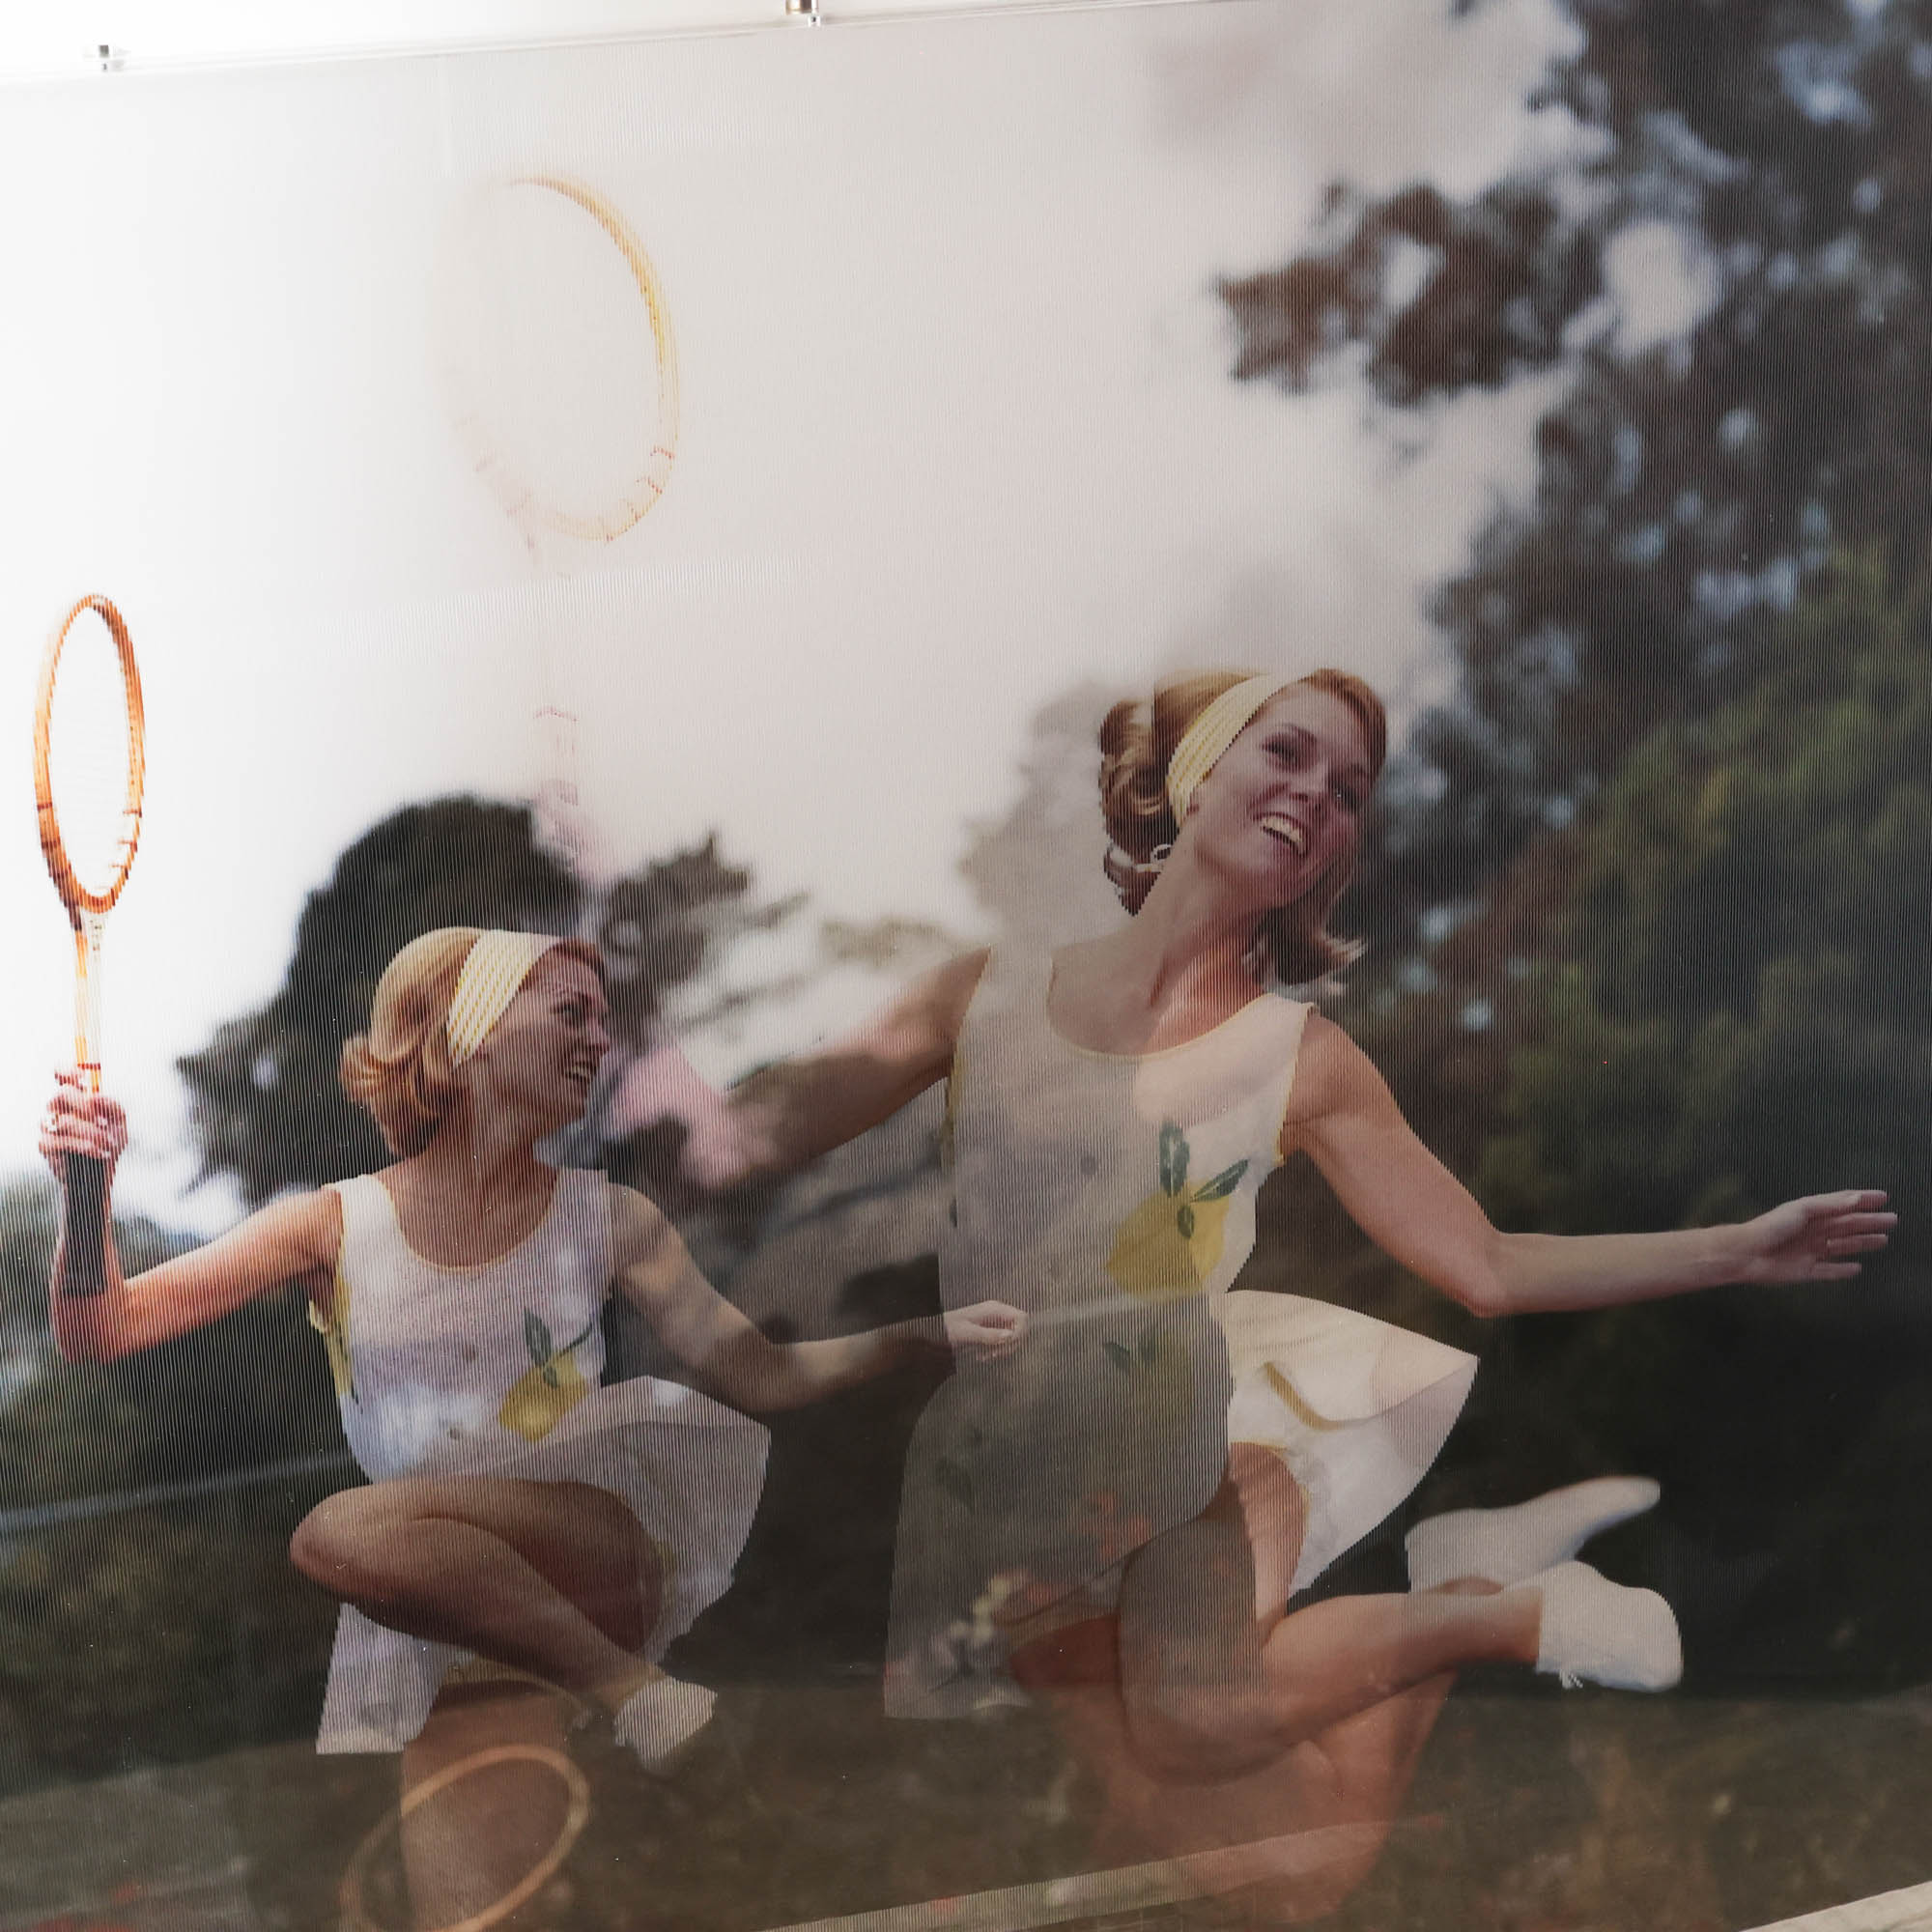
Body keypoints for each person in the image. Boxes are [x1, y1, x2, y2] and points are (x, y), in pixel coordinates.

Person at [615, 669, 1891, 1911]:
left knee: (1201, 1717)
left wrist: (1734, 1248)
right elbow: (741, 1138)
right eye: (1286, 753)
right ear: (1195, 774)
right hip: (1008, 1480)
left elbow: (1488, 1266)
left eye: (1349, 789)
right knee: (1294, 1869)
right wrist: (605, 1036)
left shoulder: (1305, 1060)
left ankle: (1506, 1619)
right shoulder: (982, 995)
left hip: (1186, 1428)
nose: (1316, 794)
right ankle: (1460, 1588)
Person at [38, 926, 1025, 1776]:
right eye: (570, 1013)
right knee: (478, 1899)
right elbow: (100, 1327)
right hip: (435, 1598)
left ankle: (633, 1691)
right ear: (470, 1032)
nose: (600, 1040)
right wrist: (86, 1193)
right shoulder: (330, 1224)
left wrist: (916, 1335)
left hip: (588, 1544)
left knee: (333, 1529)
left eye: (602, 1019)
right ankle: (640, 1705)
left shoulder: (609, 1216)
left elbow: (758, 1371)